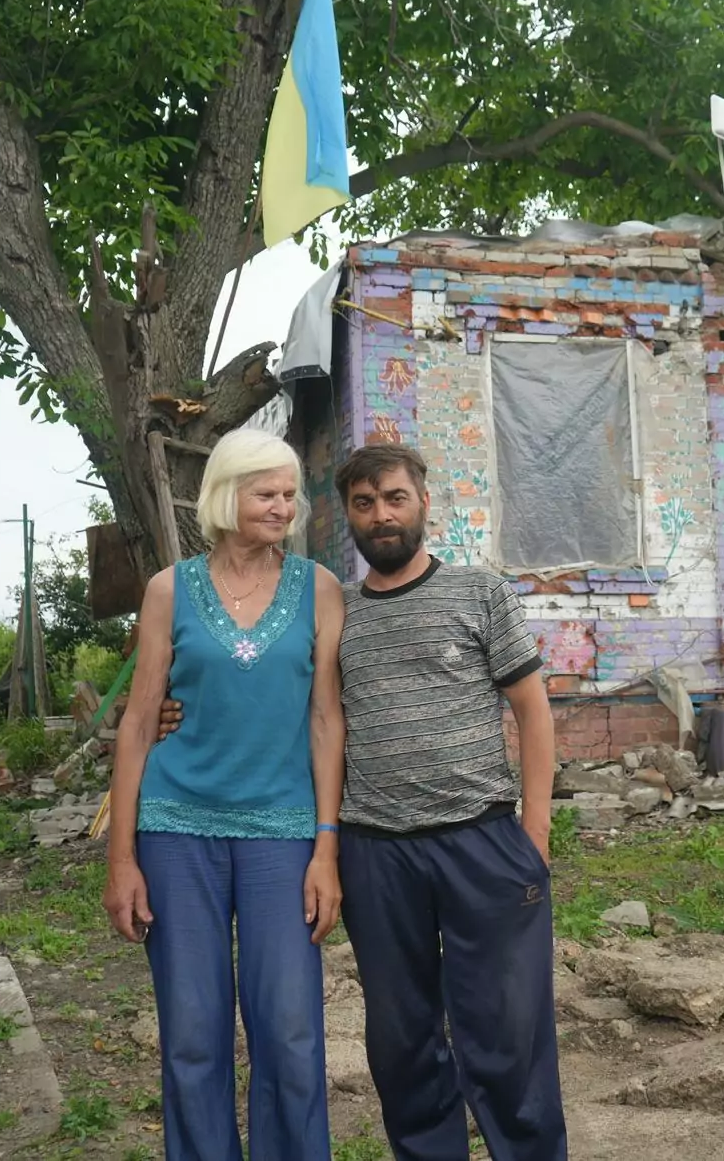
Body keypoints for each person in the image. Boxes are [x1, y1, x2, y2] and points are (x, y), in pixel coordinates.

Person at [159, 441, 567, 1161]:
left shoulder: (480, 592)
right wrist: (173, 707)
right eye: (365, 503)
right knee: (402, 1043)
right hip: (376, 851)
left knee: (507, 1032)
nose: (382, 515)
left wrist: (534, 833)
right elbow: (288, 697)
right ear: (347, 514)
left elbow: (533, 711)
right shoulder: (334, 609)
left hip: (481, 839)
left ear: (424, 503)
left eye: (396, 498)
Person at [104, 429, 345, 1161]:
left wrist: (327, 846)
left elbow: (325, 718)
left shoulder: (320, 589)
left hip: (284, 831)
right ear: (225, 495)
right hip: (176, 828)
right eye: (266, 492)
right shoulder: (168, 590)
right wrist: (121, 859)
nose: (283, 507)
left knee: (291, 1030)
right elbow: (139, 720)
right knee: (192, 1032)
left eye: (289, 494)